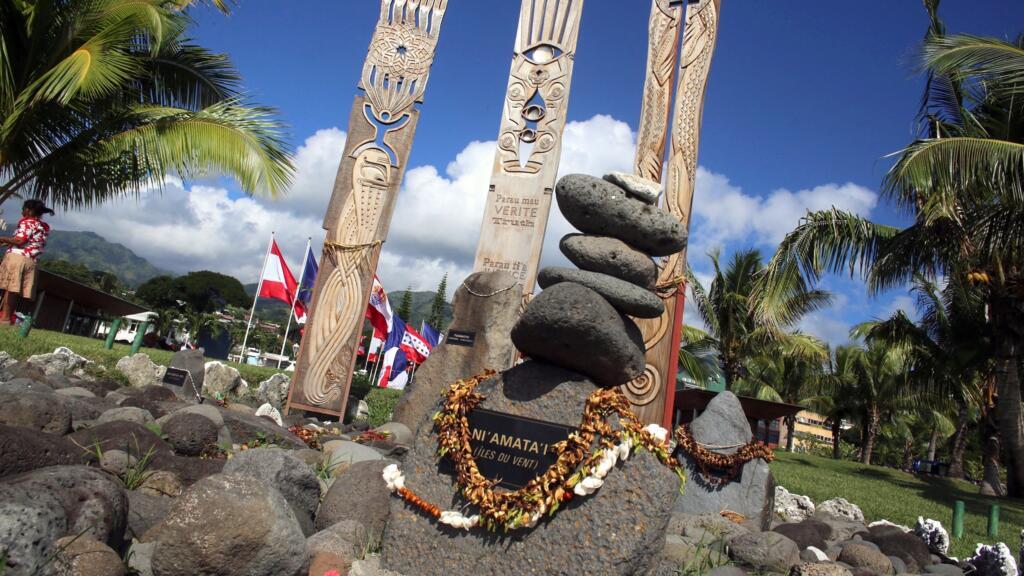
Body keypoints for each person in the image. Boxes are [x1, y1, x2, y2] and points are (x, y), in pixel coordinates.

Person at [0, 199, 55, 324]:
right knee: (15, 290)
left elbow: (20, 241)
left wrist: (3, 238)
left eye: (24, 209)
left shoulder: (28, 222)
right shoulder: (43, 226)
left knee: (10, 289)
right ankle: (7, 317)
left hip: (18, 258)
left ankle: (5, 318)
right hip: (31, 260)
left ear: (29, 210)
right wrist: (7, 241)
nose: (22, 211)